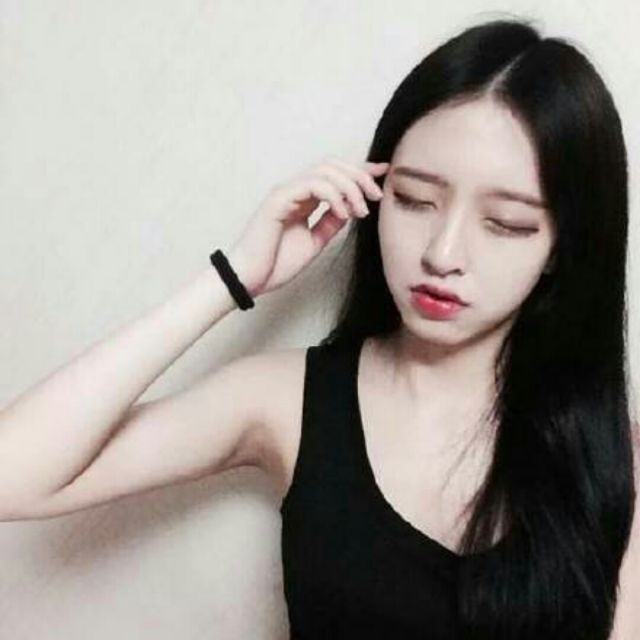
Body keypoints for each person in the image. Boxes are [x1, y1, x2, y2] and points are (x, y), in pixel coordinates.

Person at [0, 15, 637, 640]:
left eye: (504, 223)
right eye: (414, 200)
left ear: (561, 248)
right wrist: (233, 279)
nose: (443, 253)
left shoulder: (616, 459)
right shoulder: (285, 400)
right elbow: (12, 478)